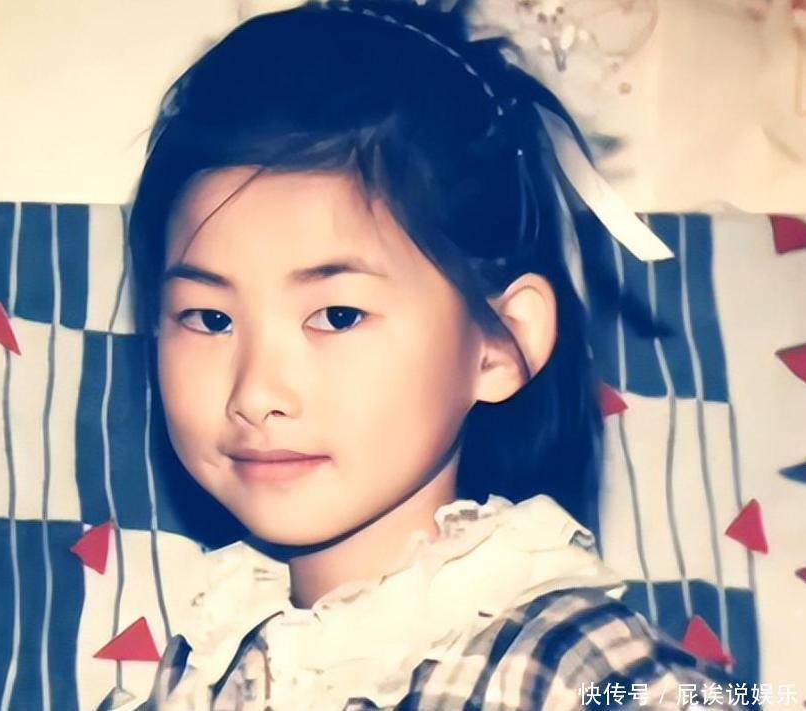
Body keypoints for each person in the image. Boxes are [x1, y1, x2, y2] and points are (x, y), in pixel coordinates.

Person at [127, 0, 759, 708]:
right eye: (209, 318)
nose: (255, 392)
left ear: (500, 344)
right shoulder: (210, 656)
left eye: (337, 315)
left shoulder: (565, 660)